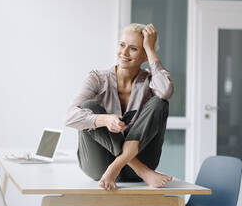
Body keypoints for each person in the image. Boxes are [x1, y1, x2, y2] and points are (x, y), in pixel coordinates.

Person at [64, 23, 174, 191]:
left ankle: (120, 165)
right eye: (122, 45)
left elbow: (165, 91)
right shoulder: (98, 79)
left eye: (133, 49)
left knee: (160, 103)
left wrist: (151, 50)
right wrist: (104, 120)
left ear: (145, 55)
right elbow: (69, 117)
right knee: (89, 106)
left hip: (135, 166)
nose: (124, 52)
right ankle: (141, 170)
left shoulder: (151, 81)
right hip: (99, 166)